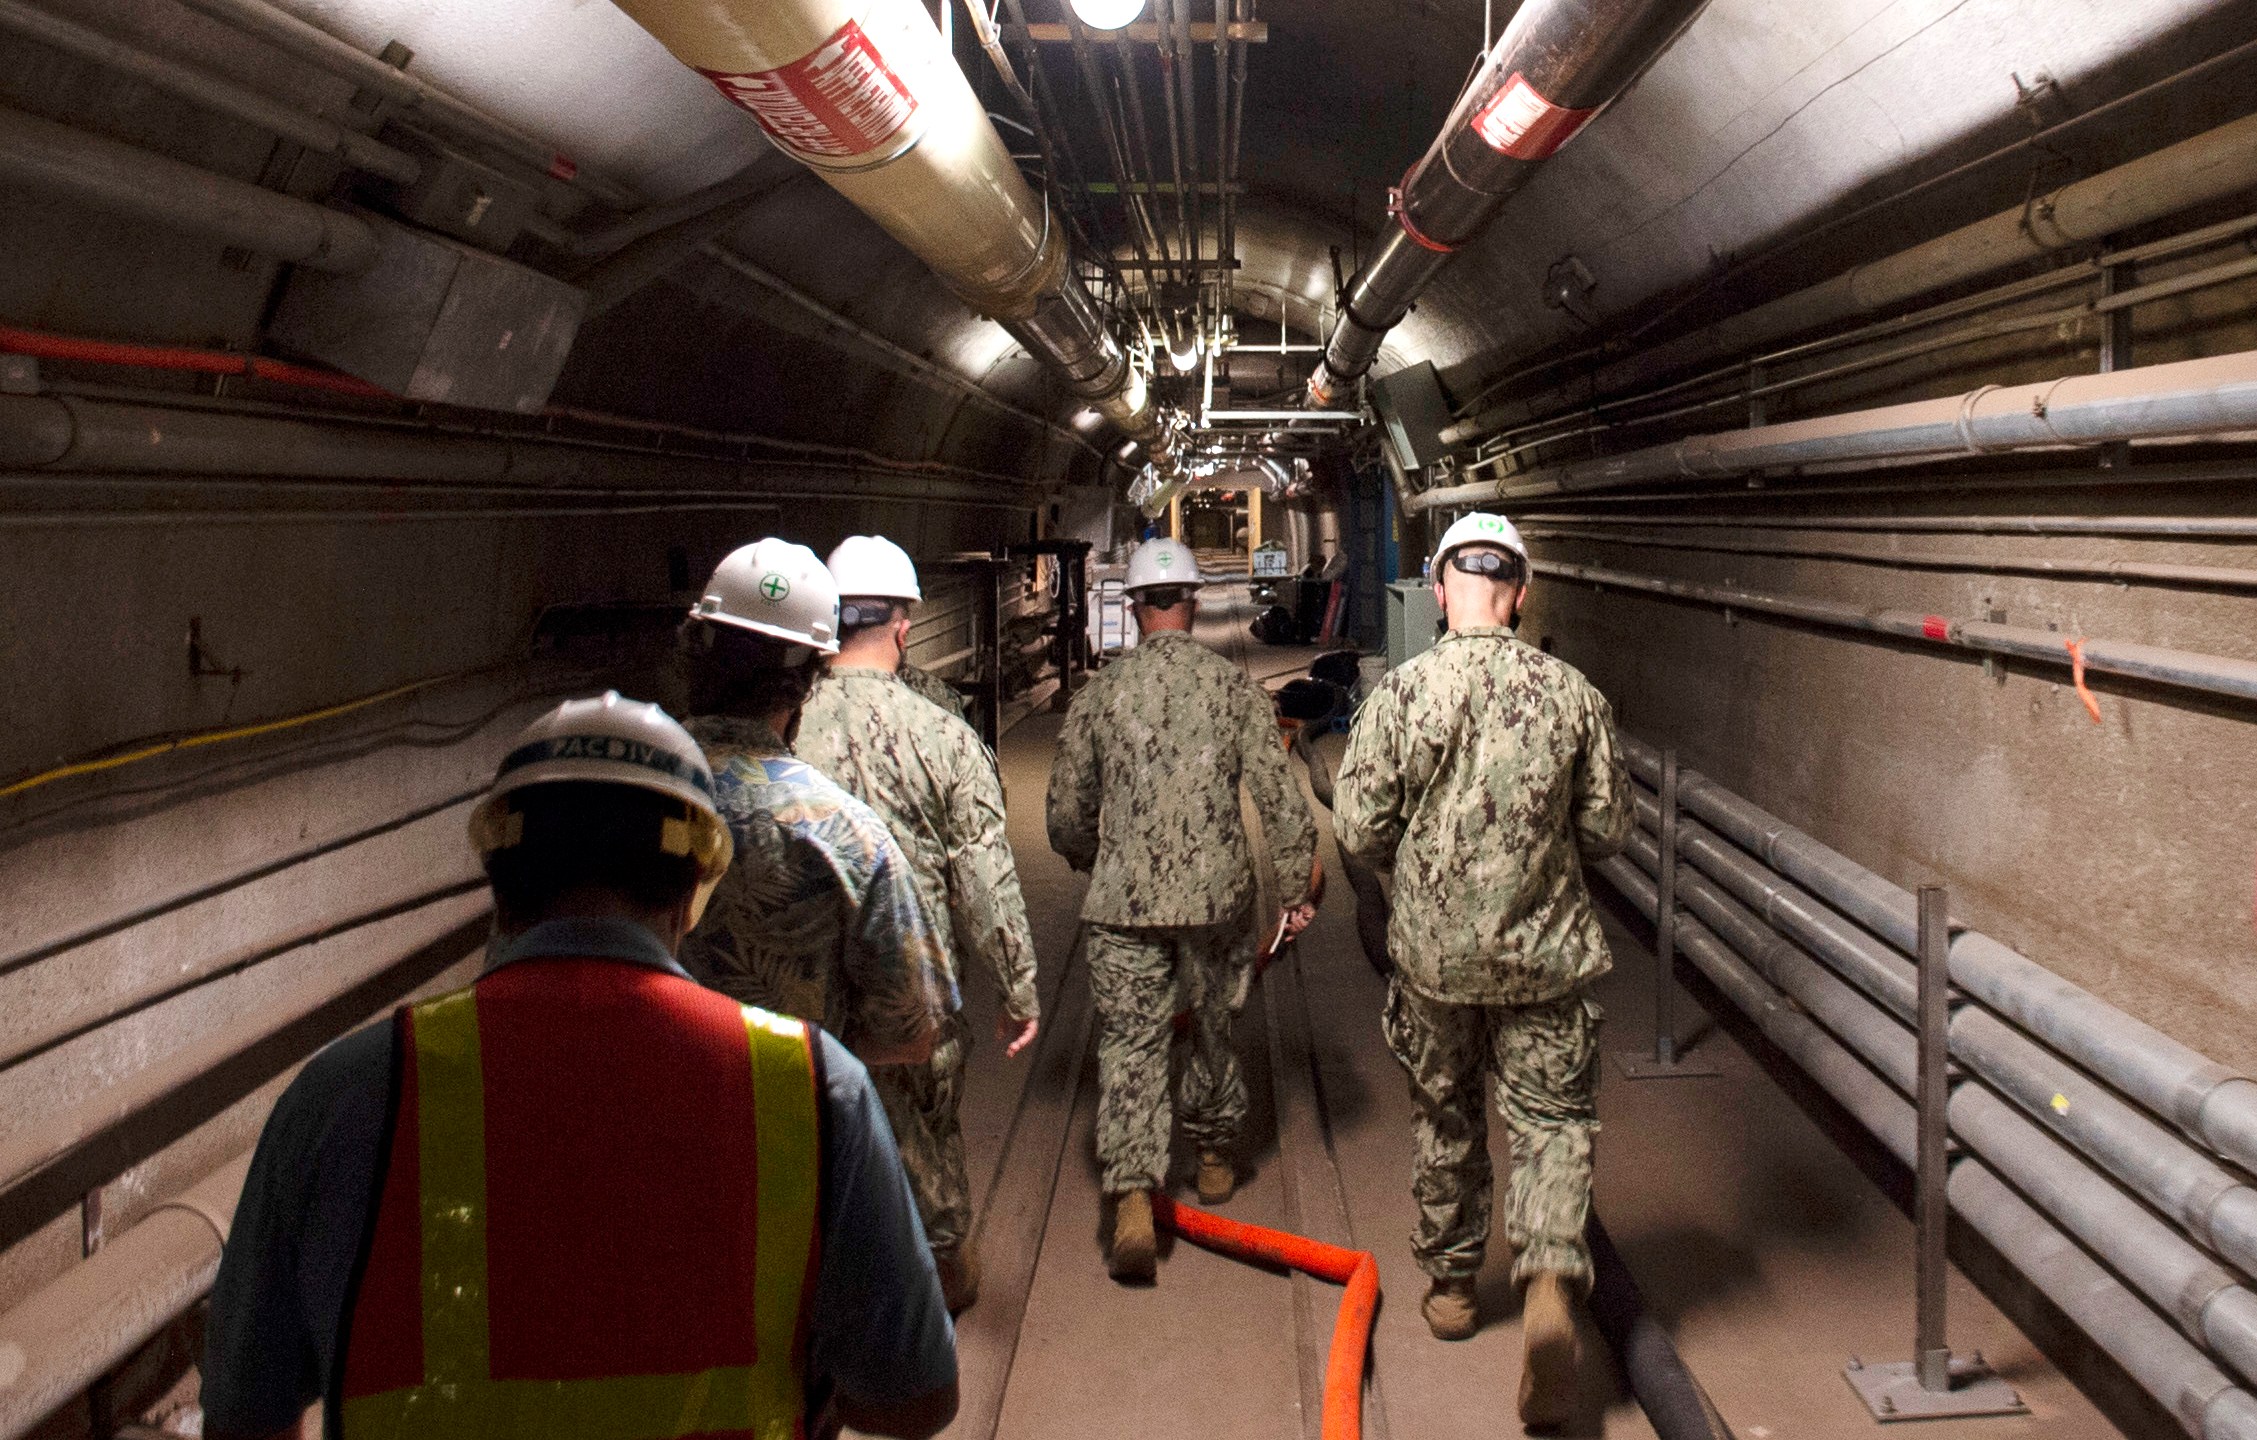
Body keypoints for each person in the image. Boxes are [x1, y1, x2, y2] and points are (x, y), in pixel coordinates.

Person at [201, 693, 959, 1440]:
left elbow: (245, 1413)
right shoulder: (811, 1085)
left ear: (499, 884)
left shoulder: (345, 1093)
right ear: (693, 885)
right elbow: (916, 1398)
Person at [1331, 511, 1633, 1429]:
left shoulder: (1403, 694)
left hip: (1433, 963)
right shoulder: (1572, 695)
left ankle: (1455, 1289)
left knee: (1446, 1113)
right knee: (1549, 1124)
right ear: (1520, 591)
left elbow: (1356, 829)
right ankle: (1546, 1285)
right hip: (1546, 956)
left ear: (1437, 589)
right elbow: (1606, 832)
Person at [1045, 535, 1319, 1283]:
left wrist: (1092, 861)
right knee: (1212, 1029)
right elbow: (1280, 802)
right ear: (1192, 604)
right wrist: (1294, 893)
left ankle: (1133, 1193)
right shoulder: (1231, 690)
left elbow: (1066, 812)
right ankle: (1211, 1158)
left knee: (1130, 1047)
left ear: (1134, 608)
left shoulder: (1099, 694)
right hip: (1217, 900)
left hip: (1122, 904)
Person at [796, 534, 1042, 1314]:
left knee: (804, 1144)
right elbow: (982, 877)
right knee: (925, 1137)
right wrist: (1017, 987)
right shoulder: (944, 736)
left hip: (793, 1000)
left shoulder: (779, 726)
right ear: (903, 626)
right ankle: (943, 1279)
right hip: (912, 993)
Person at [676, 537, 953, 1068]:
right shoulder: (846, 833)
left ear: (697, 647)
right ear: (809, 676)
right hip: (784, 1129)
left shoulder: (620, 797)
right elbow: (914, 1033)